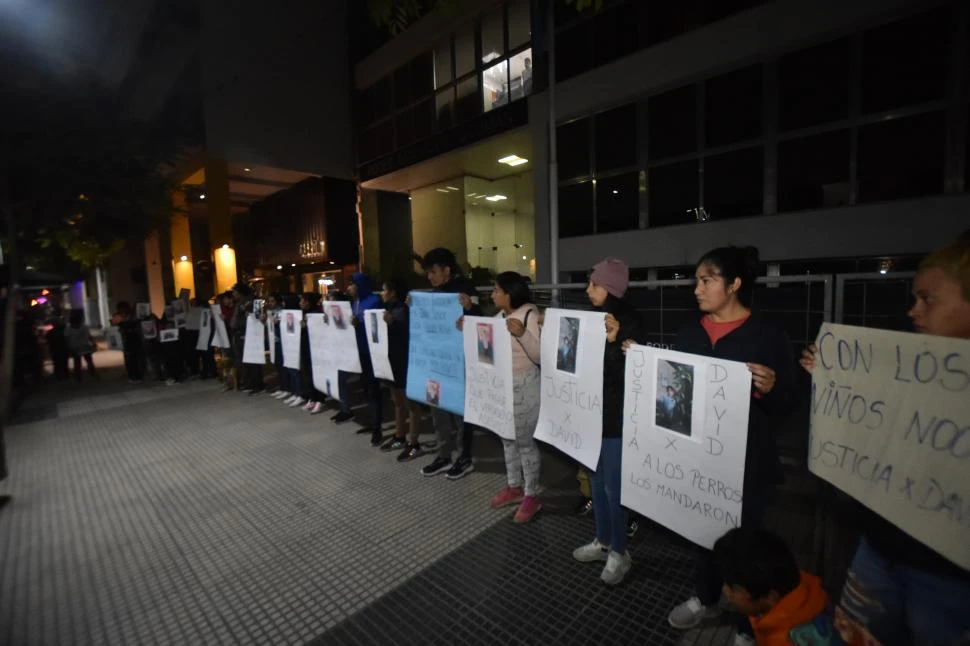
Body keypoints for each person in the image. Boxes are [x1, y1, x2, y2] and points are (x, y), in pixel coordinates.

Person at [800, 234, 970, 646]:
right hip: (880, 547)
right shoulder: (907, 368)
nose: (914, 311)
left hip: (951, 577)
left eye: (928, 299)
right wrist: (837, 383)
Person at [664, 247, 796, 644]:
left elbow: (790, 400)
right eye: (696, 280)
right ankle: (705, 596)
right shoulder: (689, 333)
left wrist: (774, 387)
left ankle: (745, 625)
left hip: (749, 463)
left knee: (745, 544)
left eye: (707, 280)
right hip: (698, 458)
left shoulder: (768, 335)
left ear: (734, 284)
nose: (697, 289)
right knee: (702, 530)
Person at [572, 258, 644, 585]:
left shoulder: (630, 322)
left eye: (595, 284)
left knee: (614, 487)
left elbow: (631, 377)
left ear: (611, 288)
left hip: (616, 419)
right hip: (592, 415)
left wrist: (615, 343)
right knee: (597, 482)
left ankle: (620, 551)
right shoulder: (591, 319)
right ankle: (603, 540)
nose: (588, 290)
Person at [482, 271, 543, 523]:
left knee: (525, 443)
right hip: (503, 388)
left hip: (524, 387)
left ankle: (532, 495)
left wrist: (522, 334)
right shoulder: (499, 318)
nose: (493, 294)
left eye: (497, 290)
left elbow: (540, 355)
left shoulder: (529, 315)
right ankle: (514, 486)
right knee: (507, 439)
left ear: (510, 293)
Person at [418, 247, 483, 479]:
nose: (430, 276)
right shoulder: (434, 293)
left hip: (458, 362)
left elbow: (481, 320)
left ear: (446, 270)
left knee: (459, 410)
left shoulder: (465, 290)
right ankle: (444, 454)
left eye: (433, 271)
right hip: (435, 361)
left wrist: (470, 310)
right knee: (437, 409)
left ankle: (464, 457)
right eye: (428, 272)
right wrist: (412, 307)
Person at [713, 528, 838, 646]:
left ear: (770, 596)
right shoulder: (803, 584)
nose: (726, 592)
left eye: (731, 588)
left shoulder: (786, 640)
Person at [376, 278, 425, 460]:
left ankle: (414, 443)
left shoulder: (403, 310)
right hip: (390, 362)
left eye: (384, 290)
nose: (381, 293)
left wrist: (393, 324)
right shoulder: (388, 310)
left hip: (404, 362)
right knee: (397, 401)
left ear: (393, 292)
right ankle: (399, 436)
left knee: (411, 404)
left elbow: (407, 335)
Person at [337, 273, 384, 442]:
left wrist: (360, 324)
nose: (349, 288)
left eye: (351, 284)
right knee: (366, 388)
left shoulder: (374, 301)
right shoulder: (355, 302)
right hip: (361, 352)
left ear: (360, 285)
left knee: (374, 389)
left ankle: (377, 428)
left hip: (372, 352)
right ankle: (372, 422)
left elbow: (377, 326)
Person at [231, 282, 264, 395]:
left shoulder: (253, 301)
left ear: (240, 292)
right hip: (239, 333)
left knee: (253, 360)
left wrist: (247, 313)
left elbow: (257, 316)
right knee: (245, 361)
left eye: (234, 292)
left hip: (249, 333)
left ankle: (257, 384)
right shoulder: (240, 303)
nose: (233, 294)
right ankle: (250, 382)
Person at [113, 302, 144, 383]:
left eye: (123, 309)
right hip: (126, 340)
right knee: (128, 359)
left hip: (134, 339)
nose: (122, 311)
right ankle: (131, 376)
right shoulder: (119, 317)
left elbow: (136, 326)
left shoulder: (133, 316)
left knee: (135, 359)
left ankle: (137, 376)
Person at [65, 311, 97, 381]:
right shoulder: (84, 327)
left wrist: (68, 348)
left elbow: (67, 339)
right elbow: (89, 336)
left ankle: (78, 377)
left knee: (77, 363)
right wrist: (93, 343)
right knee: (89, 361)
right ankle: (93, 374)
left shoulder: (69, 329)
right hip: (84, 346)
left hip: (75, 347)